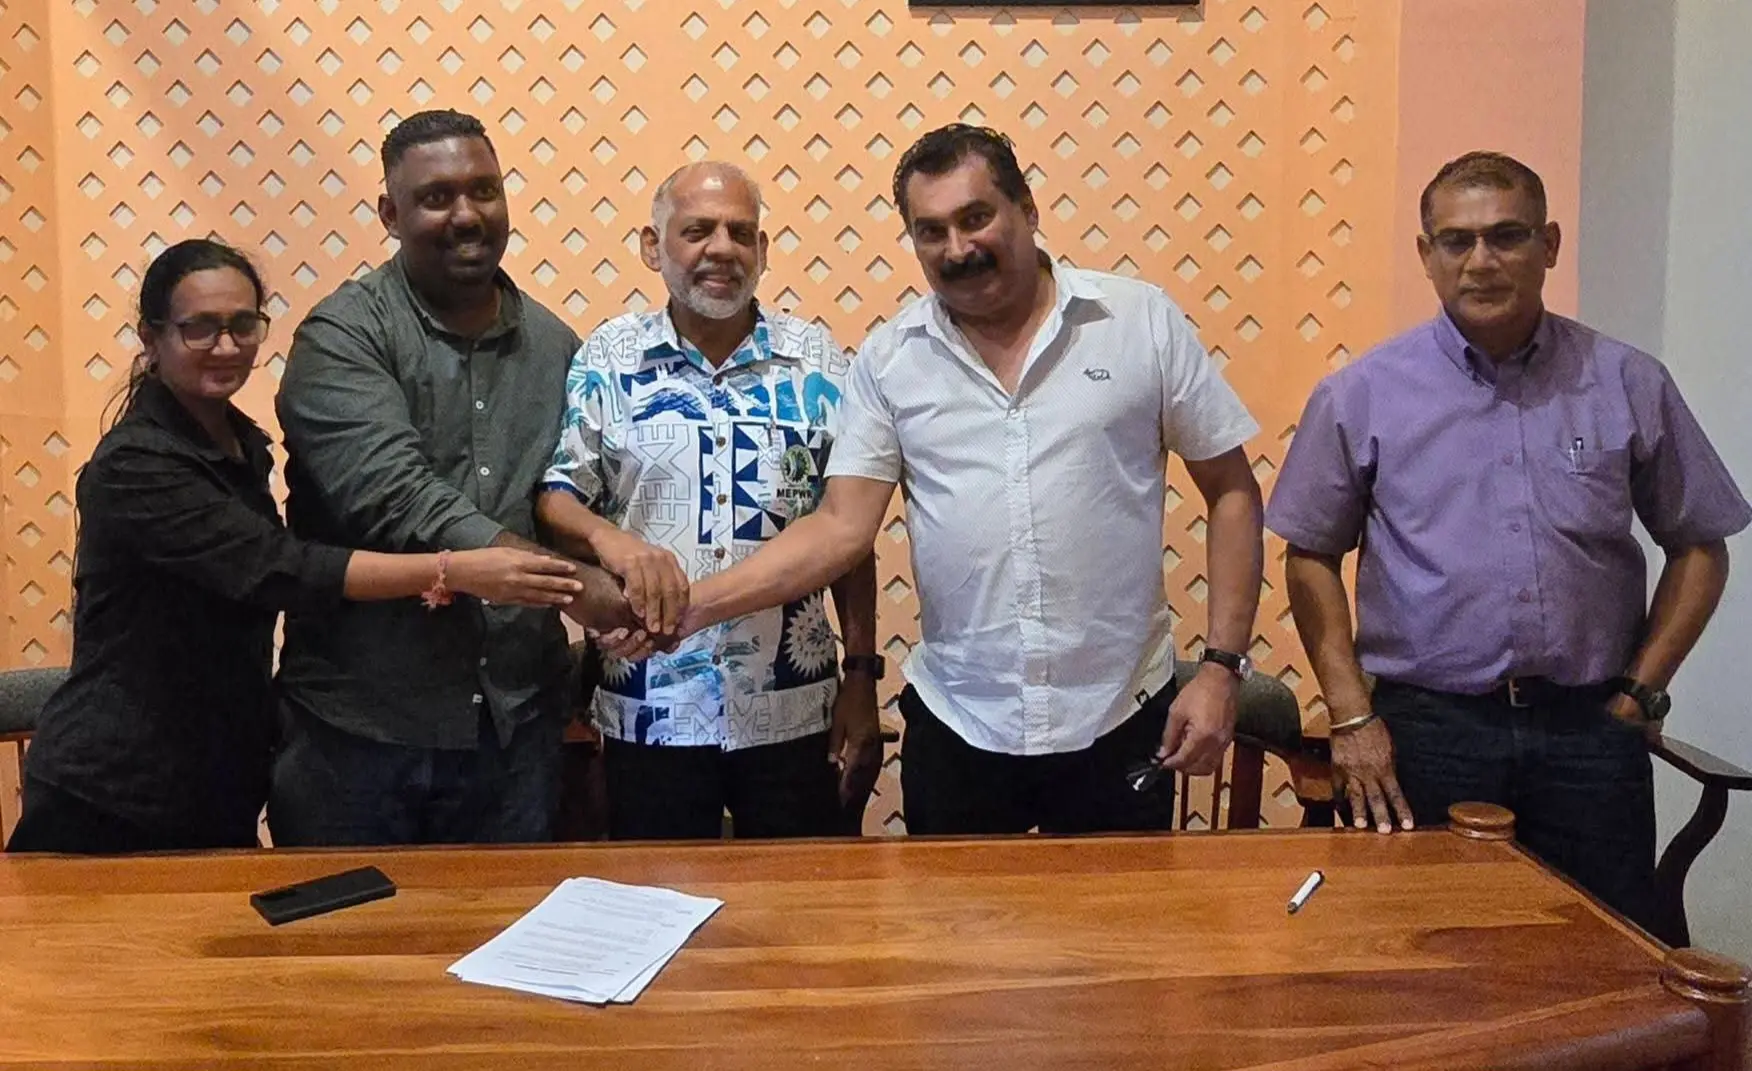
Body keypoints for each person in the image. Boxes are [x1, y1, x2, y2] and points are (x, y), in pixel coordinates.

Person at [674, 125, 1265, 835]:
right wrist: (694, 607)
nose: (956, 248)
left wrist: (1221, 666)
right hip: (960, 729)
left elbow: (1231, 490)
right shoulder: (892, 360)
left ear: (1027, 209)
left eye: (975, 217)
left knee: (1115, 943)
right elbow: (840, 527)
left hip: (1121, 721)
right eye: (931, 231)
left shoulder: (1139, 323)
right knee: (954, 944)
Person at [1267, 151, 1750, 933]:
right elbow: (1310, 554)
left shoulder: (1628, 381)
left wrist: (1643, 690)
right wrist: (1352, 715)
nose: (1481, 261)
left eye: (1508, 236)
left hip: (1594, 729)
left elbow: (1702, 546)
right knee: (1420, 955)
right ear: (1426, 255)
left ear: (1550, 244)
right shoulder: (1363, 394)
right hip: (1426, 735)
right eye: (1456, 241)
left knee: (1605, 957)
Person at [5, 238, 596, 855]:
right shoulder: (137, 463)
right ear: (152, 338)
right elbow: (283, 569)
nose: (227, 346)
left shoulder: (240, 444)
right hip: (115, 783)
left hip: (218, 774)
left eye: (243, 325)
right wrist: (455, 568)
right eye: (199, 329)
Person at [268, 110, 636, 847]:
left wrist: (624, 573)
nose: (467, 214)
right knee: (343, 957)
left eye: (484, 190)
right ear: (390, 213)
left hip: (515, 733)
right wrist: (573, 587)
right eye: (436, 197)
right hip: (360, 732)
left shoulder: (558, 347)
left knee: (512, 950)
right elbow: (394, 495)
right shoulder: (342, 336)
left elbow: (568, 499)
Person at [536, 162, 882, 840]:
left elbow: (849, 533)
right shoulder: (610, 356)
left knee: (801, 920)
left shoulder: (817, 360)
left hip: (794, 706)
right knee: (656, 911)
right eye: (696, 230)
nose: (721, 248)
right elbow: (556, 497)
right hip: (650, 702)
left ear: (762, 251)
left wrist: (862, 675)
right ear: (651, 245)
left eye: (740, 232)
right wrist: (616, 541)